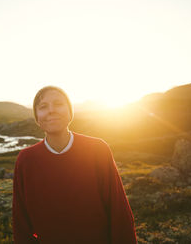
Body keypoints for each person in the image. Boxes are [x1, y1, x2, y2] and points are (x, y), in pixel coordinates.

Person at [12, 86, 137, 244]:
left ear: (70, 113)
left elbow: (119, 212)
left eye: (58, 104)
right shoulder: (25, 160)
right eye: (43, 107)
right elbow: (21, 224)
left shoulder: (97, 150)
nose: (51, 110)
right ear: (37, 117)